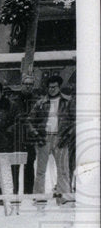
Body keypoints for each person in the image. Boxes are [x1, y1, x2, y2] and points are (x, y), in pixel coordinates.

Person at [27, 74, 75, 202]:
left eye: (54, 87)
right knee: (41, 170)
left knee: (63, 169)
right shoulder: (41, 103)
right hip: (44, 137)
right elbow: (29, 121)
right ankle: (39, 196)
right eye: (50, 87)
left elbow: (75, 121)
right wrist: (36, 135)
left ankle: (63, 196)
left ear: (59, 87)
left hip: (61, 137)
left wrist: (68, 135)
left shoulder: (67, 101)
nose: (52, 89)